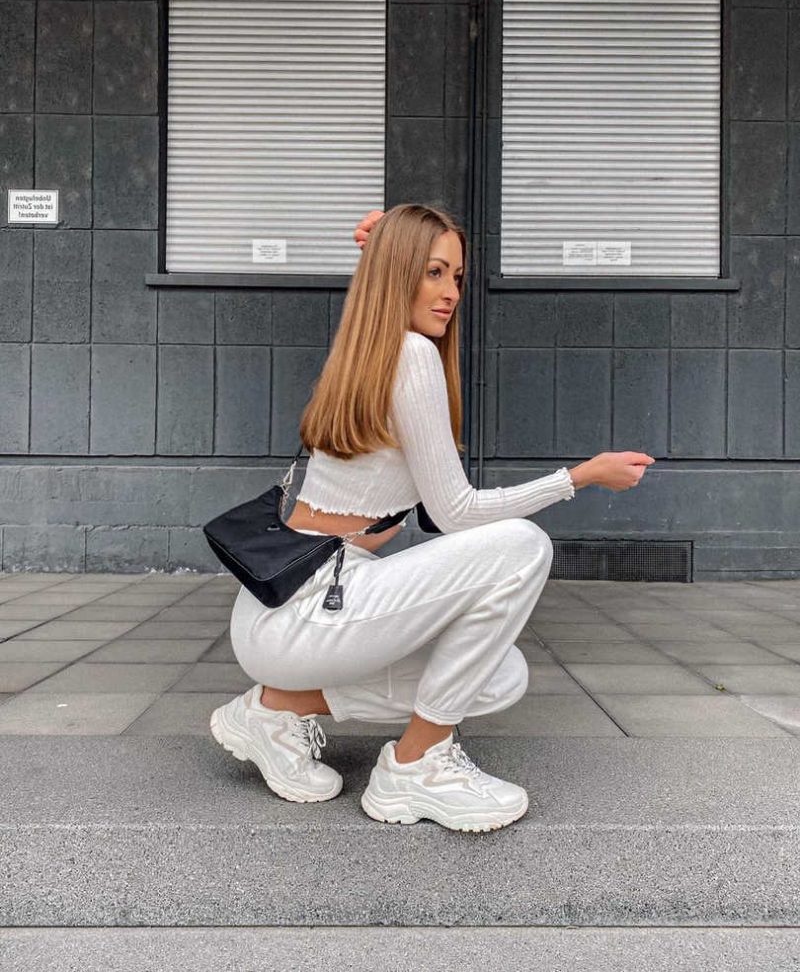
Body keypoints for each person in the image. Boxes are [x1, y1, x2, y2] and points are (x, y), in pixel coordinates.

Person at [211, 204, 653, 832]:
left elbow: (439, 520)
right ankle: (415, 769)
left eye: (457, 277)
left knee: (497, 674)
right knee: (522, 546)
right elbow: (457, 513)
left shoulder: (369, 349)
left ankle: (275, 710)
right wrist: (578, 477)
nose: (449, 293)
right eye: (432, 273)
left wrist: (384, 245)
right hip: (314, 603)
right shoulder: (411, 354)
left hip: (279, 608)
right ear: (397, 277)